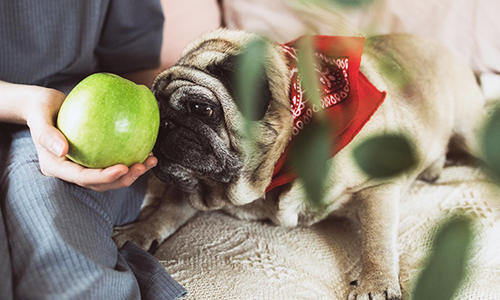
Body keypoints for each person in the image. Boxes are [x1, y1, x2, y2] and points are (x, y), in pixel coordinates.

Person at [0, 0, 221, 299]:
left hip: (71, 115)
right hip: (44, 108)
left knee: (53, 219)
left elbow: (134, 68)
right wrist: (24, 102)